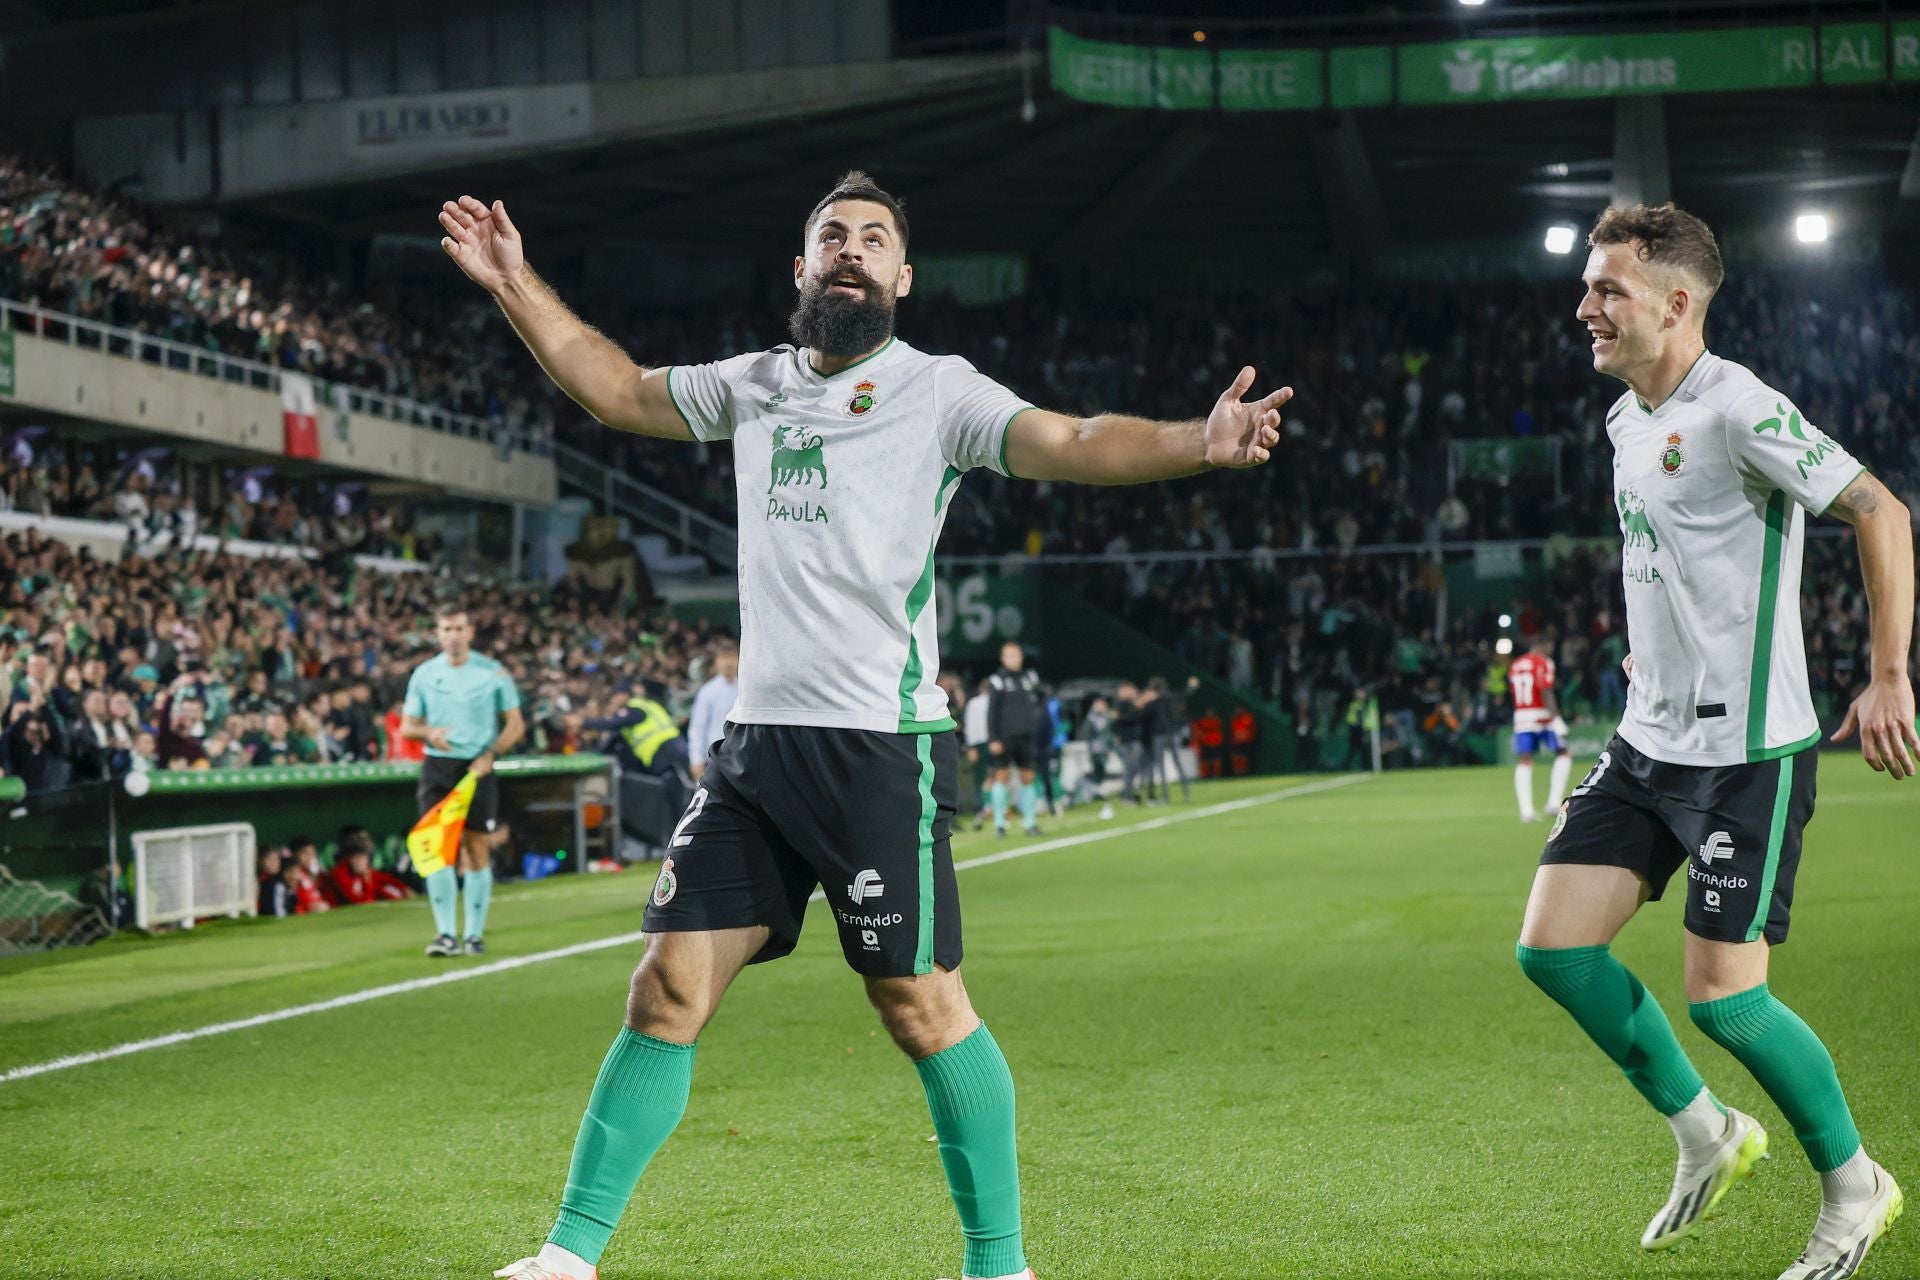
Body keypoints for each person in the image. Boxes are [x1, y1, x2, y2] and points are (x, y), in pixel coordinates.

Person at [439, 169, 1292, 1280]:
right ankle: (568, 1253)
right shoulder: (751, 384)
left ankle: (1002, 1266)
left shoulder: (938, 390)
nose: (850, 249)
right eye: (830, 235)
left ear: (902, 276)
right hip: (754, 749)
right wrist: (514, 281)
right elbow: (615, 390)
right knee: (665, 986)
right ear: (801, 268)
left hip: (878, 750)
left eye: (872, 238)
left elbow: (1075, 441)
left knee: (922, 1003)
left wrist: (1198, 441)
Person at [1517, 203, 1914, 1280]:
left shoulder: (1740, 408)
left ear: (1677, 303)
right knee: (1550, 946)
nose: (1585, 305)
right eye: (1590, 285)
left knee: (1727, 998)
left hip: (1747, 753)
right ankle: (1707, 1131)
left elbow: (1880, 509)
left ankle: (1854, 1185)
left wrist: (1886, 674)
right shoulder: (1624, 421)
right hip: (1648, 742)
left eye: (1609, 290)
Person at [399, 603, 525, 958]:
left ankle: (473, 934)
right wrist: (428, 732)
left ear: (470, 632)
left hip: (477, 768)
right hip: (438, 767)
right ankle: (444, 934)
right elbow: (408, 726)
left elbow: (515, 723)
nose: (453, 636)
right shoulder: (424, 674)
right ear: (437, 634)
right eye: (446, 630)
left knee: (476, 849)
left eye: (458, 629)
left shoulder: (493, 673)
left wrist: (491, 753)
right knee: (437, 849)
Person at [1509, 633, 1572, 822]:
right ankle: (1553, 802)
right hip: (1542, 716)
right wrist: (1557, 718)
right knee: (1563, 753)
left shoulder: (1516, 664)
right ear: (1542, 645)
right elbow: (1545, 690)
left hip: (1521, 716)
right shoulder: (1544, 662)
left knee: (1525, 760)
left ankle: (1526, 811)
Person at [984, 642, 1045, 837]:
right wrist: (993, 738)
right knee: (1002, 776)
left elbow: (1040, 699)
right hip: (1005, 737)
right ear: (1003, 658)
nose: (1014, 659)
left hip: (1026, 736)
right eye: (1009, 655)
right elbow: (992, 712)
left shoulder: (1029, 677)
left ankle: (1030, 823)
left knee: (1028, 777)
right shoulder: (997, 680)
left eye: (1016, 655)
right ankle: (1000, 825)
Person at [685, 640, 739, 783]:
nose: (728, 663)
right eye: (724, 657)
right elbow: (697, 727)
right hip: (713, 759)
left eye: (732, 657)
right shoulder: (707, 692)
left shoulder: (744, 690)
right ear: (716, 662)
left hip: (740, 759)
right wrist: (696, 760)